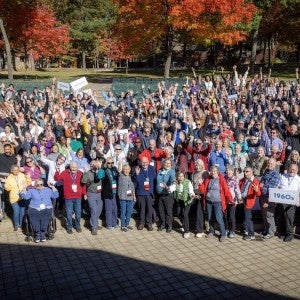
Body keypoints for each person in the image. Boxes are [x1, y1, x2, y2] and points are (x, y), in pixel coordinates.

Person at [199, 165, 233, 242]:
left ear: (218, 172)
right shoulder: (208, 179)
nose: (213, 172)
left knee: (219, 218)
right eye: (212, 171)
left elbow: (226, 190)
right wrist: (201, 184)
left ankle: (223, 234)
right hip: (209, 201)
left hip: (218, 202)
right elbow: (203, 190)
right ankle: (211, 231)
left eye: (215, 171)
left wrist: (230, 199)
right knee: (210, 217)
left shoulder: (221, 179)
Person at [54, 161, 85, 234]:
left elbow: (83, 184)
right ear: (70, 167)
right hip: (68, 197)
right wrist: (57, 171)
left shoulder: (80, 173)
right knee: (69, 213)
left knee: (78, 213)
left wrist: (84, 193)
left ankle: (77, 226)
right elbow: (57, 178)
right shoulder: (65, 173)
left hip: (77, 196)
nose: (74, 169)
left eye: (75, 167)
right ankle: (69, 227)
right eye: (72, 167)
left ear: (77, 167)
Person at [4, 164, 31, 231]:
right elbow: (7, 189)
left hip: (22, 197)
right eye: (14, 170)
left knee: (22, 212)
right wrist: (5, 184)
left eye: (17, 170)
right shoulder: (9, 178)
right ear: (12, 170)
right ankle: (16, 225)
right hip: (14, 198)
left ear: (19, 170)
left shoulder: (22, 175)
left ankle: (21, 225)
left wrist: (28, 178)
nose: (16, 171)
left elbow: (28, 183)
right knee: (16, 212)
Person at [259, 158, 281, 239]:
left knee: (269, 215)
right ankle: (266, 230)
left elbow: (273, 189)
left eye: (271, 163)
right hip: (262, 196)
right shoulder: (266, 172)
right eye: (268, 163)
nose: (269, 165)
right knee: (264, 215)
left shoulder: (276, 174)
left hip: (269, 198)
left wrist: (268, 202)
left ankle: (271, 232)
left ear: (275, 165)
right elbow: (261, 182)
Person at [81, 160, 105, 235]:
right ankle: (94, 227)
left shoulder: (100, 171)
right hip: (91, 194)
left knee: (99, 210)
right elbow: (83, 182)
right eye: (93, 165)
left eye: (96, 165)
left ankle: (93, 222)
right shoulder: (88, 173)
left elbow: (99, 177)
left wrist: (99, 167)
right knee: (94, 210)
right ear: (91, 166)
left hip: (99, 193)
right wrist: (85, 172)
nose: (95, 166)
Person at [133, 156, 156, 231]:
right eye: (143, 162)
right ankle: (142, 223)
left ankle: (149, 223)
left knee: (149, 209)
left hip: (149, 193)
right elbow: (135, 183)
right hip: (140, 193)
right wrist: (137, 174)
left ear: (148, 162)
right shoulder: (137, 169)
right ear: (140, 162)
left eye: (146, 162)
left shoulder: (152, 169)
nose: (144, 164)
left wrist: (153, 192)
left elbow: (154, 180)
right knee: (142, 209)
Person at [278, 164, 300, 242]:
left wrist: (299, 201)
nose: (292, 171)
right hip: (282, 200)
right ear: (288, 168)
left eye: (294, 169)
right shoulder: (283, 176)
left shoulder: (299, 179)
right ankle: (283, 233)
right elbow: (278, 186)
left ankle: (290, 234)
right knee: (282, 217)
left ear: (297, 171)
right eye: (291, 169)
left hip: (291, 203)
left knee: (289, 218)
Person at [174, 171, 198, 238]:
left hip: (188, 200)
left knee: (185, 214)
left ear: (184, 176)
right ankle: (184, 225)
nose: (180, 178)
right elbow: (172, 188)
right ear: (177, 177)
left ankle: (187, 231)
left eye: (182, 176)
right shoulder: (176, 182)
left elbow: (191, 191)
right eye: (179, 176)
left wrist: (193, 195)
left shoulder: (188, 182)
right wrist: (167, 188)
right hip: (180, 200)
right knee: (179, 214)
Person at [239, 167, 261, 241]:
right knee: (245, 216)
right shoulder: (244, 179)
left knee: (248, 218)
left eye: (247, 171)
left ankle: (251, 234)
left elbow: (258, 194)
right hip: (243, 200)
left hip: (249, 202)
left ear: (252, 172)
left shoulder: (255, 181)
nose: (245, 173)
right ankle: (246, 230)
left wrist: (257, 190)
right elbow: (239, 184)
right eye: (244, 171)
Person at [156, 159, 176, 233]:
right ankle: (163, 224)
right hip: (160, 194)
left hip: (167, 195)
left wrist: (170, 186)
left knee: (168, 211)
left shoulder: (171, 172)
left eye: (169, 163)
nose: (168, 165)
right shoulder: (160, 170)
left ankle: (169, 225)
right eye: (166, 163)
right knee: (161, 211)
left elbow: (173, 180)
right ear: (163, 164)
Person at [191, 159, 209, 238]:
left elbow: (207, 185)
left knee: (200, 213)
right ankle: (200, 228)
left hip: (202, 195)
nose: (197, 166)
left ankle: (200, 230)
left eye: (199, 165)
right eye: (196, 165)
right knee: (197, 212)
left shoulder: (205, 173)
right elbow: (192, 184)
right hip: (195, 195)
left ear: (202, 165)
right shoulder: (194, 173)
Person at [101, 157, 119, 230]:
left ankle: (114, 223)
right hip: (108, 192)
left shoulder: (114, 169)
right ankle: (109, 224)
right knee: (109, 209)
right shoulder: (104, 171)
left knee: (115, 208)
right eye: (109, 163)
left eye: (112, 163)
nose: (110, 164)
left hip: (114, 192)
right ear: (106, 163)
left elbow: (118, 176)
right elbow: (100, 178)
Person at [224, 166, 242, 238]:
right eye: (227, 170)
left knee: (232, 216)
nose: (228, 172)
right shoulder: (224, 178)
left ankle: (232, 231)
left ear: (233, 171)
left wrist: (239, 198)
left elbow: (237, 190)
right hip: (225, 200)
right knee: (225, 216)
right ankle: (227, 229)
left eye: (230, 170)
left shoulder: (235, 180)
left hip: (233, 201)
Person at [118, 164, 136, 232]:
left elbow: (132, 187)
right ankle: (123, 226)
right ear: (123, 170)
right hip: (123, 197)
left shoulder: (131, 177)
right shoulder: (121, 176)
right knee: (123, 212)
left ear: (130, 170)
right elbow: (118, 171)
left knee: (129, 211)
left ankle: (127, 224)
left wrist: (134, 196)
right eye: (125, 169)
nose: (126, 170)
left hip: (130, 197)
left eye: (127, 169)